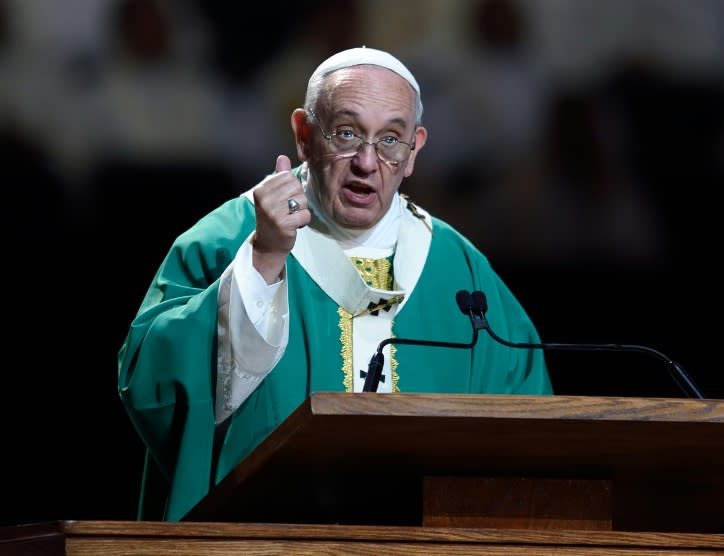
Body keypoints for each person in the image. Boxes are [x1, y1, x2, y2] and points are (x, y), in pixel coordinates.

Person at [117, 46, 553, 522]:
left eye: (390, 139)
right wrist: (262, 261)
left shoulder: (460, 271)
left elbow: (528, 432)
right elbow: (152, 385)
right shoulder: (230, 237)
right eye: (347, 133)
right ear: (304, 135)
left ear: (414, 152)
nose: (367, 161)